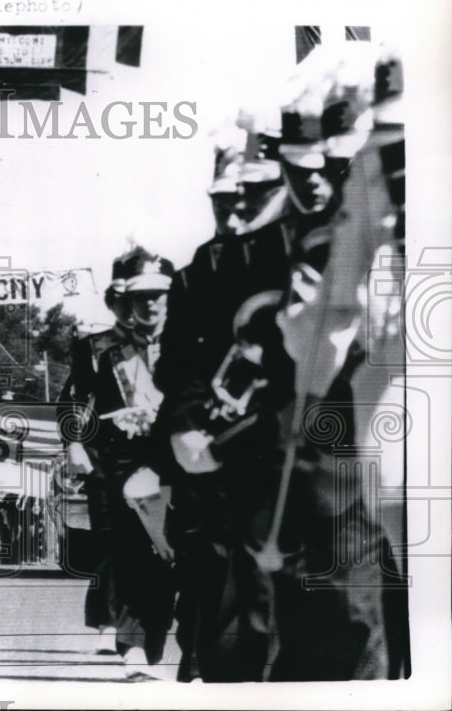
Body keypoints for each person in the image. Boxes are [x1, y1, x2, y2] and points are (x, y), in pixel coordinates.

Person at [155, 47, 403, 682]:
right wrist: (185, 424)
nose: (314, 184)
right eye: (298, 170)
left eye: (334, 168)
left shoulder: (382, 244)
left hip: (347, 476)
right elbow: (186, 362)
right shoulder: (227, 263)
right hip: (250, 476)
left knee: (352, 634)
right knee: (249, 642)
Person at [60, 246, 177, 668]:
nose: (139, 305)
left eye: (153, 295)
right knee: (129, 549)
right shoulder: (98, 347)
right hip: (121, 460)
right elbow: (76, 399)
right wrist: (74, 443)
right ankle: (134, 645)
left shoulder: (184, 338)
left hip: (180, 458)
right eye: (129, 297)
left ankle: (192, 658)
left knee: (186, 557)